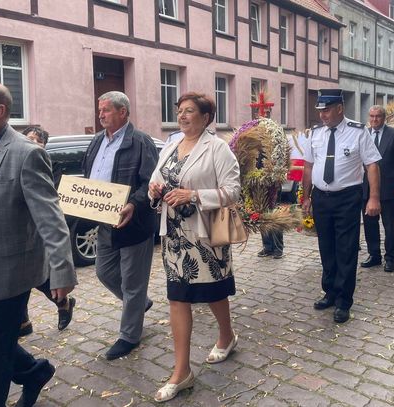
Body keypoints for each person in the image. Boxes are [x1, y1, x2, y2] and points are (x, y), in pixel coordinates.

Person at [0, 80, 77, 407]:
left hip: (8, 273)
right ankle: (35, 372)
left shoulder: (26, 153)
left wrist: (62, 272)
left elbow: (50, 218)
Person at [149, 92, 241, 402]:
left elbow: (233, 191)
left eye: (190, 111)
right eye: (180, 111)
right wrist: (154, 190)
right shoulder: (170, 145)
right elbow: (155, 181)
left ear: (205, 118)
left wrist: (194, 195)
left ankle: (226, 336)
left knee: (214, 292)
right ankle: (182, 372)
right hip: (174, 236)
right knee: (177, 297)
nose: (182, 115)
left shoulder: (217, 148)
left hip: (205, 236)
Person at [82, 91, 158, 360]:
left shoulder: (141, 141)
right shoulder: (97, 140)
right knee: (104, 272)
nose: (100, 114)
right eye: (99, 110)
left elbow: (151, 182)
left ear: (122, 112)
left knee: (133, 283)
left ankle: (129, 336)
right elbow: (89, 175)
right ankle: (139, 304)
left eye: (106, 110)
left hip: (134, 223)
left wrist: (134, 204)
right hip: (105, 221)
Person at [302, 89, 381, 323]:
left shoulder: (359, 132)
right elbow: (308, 166)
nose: (322, 115)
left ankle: (344, 301)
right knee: (326, 246)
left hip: (347, 197)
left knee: (346, 249)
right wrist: (306, 197)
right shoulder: (315, 133)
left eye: (326, 110)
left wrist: (374, 198)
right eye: (320, 111)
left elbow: (372, 165)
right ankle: (330, 291)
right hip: (321, 198)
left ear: (339, 108)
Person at [17, 126, 76, 337]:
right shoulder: (14, 160)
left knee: (37, 276)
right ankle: (22, 321)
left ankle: (63, 302)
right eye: (29, 138)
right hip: (19, 230)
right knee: (21, 277)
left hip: (40, 232)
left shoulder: (52, 166)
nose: (33, 143)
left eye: (38, 141)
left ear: (44, 146)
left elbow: (52, 202)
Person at [361, 105, 394, 273]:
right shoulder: (363, 134)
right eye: (372, 116)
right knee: (369, 225)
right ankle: (374, 255)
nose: (374, 119)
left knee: (389, 226)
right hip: (366, 188)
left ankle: (390, 258)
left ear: (384, 118)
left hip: (389, 188)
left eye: (378, 116)